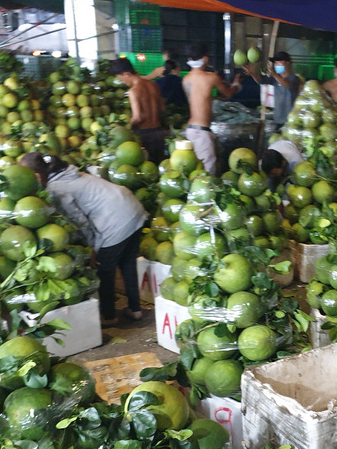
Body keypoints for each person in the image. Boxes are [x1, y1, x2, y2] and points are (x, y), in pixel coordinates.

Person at [18, 152, 148, 327]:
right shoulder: (68, 172)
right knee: (127, 263)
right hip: (132, 208)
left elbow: (81, 223)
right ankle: (135, 310)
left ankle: (109, 316)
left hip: (116, 220)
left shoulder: (56, 189)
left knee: (105, 271)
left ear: (36, 176)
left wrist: (95, 247)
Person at [180, 43, 241, 175]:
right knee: (207, 173)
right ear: (206, 58)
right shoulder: (211, 77)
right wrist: (236, 85)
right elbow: (228, 93)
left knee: (192, 170)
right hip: (202, 132)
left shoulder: (186, 79)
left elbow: (197, 99)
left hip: (190, 129)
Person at [110, 57, 166, 163]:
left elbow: (138, 117)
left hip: (144, 136)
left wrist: (124, 128)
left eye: (121, 79)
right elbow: (162, 108)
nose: (123, 82)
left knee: (147, 168)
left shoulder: (134, 91)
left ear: (126, 74)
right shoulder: (154, 85)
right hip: (159, 133)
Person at [243, 50, 301, 128]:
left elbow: (287, 85)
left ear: (288, 63)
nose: (276, 65)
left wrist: (275, 75)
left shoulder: (295, 79)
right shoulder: (274, 79)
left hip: (290, 121)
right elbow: (261, 81)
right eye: (275, 63)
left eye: (279, 62)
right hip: (277, 119)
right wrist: (253, 74)